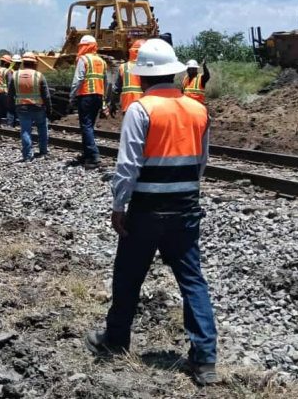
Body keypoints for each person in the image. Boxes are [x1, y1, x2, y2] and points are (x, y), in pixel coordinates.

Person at [87, 38, 218, 386]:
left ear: (142, 76)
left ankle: (116, 339)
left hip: (146, 210)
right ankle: (205, 359)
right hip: (185, 208)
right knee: (192, 280)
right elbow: (202, 163)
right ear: (173, 73)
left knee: (128, 276)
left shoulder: (141, 110)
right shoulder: (199, 110)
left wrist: (119, 205)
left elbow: (128, 165)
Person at [68, 35, 107, 168]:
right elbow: (106, 82)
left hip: (85, 96)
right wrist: (104, 102)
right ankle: (87, 155)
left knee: (86, 126)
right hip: (98, 97)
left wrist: (71, 96)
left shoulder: (83, 59)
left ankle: (94, 156)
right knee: (89, 126)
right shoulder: (102, 61)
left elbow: (78, 79)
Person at [8, 52, 51, 162]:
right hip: (38, 107)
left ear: (23, 63)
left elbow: (10, 94)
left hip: (21, 107)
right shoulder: (39, 75)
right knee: (42, 128)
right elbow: (46, 95)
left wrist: (11, 110)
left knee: (25, 130)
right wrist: (49, 108)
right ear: (34, 63)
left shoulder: (15, 75)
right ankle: (43, 151)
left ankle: (27, 156)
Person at [116, 39, 145, 113]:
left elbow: (116, 89)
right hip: (144, 105)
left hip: (127, 104)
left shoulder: (123, 67)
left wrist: (113, 103)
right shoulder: (148, 67)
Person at [7, 54, 23, 126]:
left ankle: (15, 126)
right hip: (13, 95)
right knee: (11, 112)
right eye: (17, 63)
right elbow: (9, 84)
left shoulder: (18, 72)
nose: (18, 65)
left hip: (18, 95)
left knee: (16, 112)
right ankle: (10, 127)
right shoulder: (10, 71)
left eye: (19, 63)